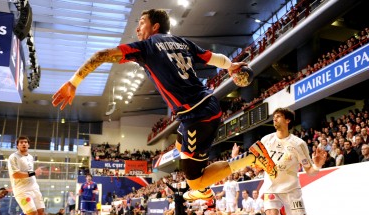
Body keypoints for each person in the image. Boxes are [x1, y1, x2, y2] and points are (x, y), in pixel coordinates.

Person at [52, 8, 277, 203]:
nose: (138, 28)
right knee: (179, 149)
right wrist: (230, 66)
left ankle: (250, 158)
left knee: (195, 182)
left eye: (141, 23)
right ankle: (204, 184)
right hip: (202, 106)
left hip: (196, 115)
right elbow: (212, 57)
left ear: (155, 26)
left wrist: (73, 82)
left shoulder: (147, 46)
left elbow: (101, 55)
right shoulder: (181, 42)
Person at [8, 136, 53, 215]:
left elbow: (28, 174)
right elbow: (16, 175)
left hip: (34, 188)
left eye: (25, 142)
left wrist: (33, 175)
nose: (23, 144)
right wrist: (34, 173)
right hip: (22, 191)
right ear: (17, 145)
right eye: (21, 142)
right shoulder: (13, 157)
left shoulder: (30, 157)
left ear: (28, 145)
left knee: (41, 214)